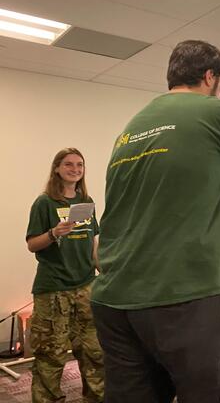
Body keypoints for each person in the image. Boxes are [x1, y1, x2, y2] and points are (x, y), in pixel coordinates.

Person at [90, 40, 220, 402]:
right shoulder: (214, 110)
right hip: (186, 296)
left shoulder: (132, 128)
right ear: (210, 76)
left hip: (116, 300)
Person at [25, 148, 104, 402]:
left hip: (86, 288)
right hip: (53, 290)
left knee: (94, 352)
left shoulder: (86, 202)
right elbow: (32, 244)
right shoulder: (45, 202)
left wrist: (105, 271)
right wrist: (53, 233)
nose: (75, 169)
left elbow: (94, 244)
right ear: (57, 168)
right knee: (51, 355)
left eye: (80, 165)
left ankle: (96, 397)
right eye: (68, 164)